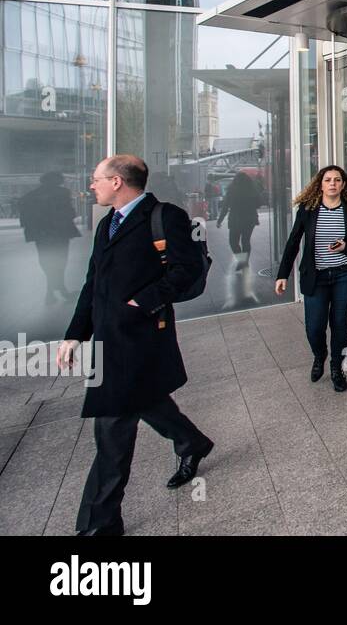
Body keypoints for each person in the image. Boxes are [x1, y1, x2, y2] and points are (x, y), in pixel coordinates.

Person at [56, 155, 214, 536]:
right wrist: (76, 333)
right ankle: (192, 442)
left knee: (112, 427)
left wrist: (141, 302)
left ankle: (99, 524)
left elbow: (187, 269)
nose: (91, 186)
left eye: (96, 179)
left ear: (117, 182)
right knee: (144, 402)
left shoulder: (165, 216)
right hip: (111, 340)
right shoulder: (107, 224)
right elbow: (94, 283)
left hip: (141, 336)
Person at [275, 166, 347, 391]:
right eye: (328, 180)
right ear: (320, 184)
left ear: (343, 184)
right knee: (314, 327)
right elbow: (293, 242)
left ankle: (337, 368)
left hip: (344, 274)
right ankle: (320, 355)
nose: (332, 184)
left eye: (337, 180)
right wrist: (283, 274)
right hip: (316, 276)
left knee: (339, 323)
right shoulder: (308, 209)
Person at [19, 171, 80, 306]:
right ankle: (59, 289)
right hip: (60, 233)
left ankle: (51, 292)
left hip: (41, 234)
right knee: (60, 261)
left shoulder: (31, 196)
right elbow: (69, 212)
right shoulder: (62, 193)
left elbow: (25, 216)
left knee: (46, 261)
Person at [217, 171, 263, 309]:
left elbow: (225, 206)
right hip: (249, 219)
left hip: (236, 220)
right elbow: (259, 203)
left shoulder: (232, 189)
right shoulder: (252, 189)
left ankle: (241, 261)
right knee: (246, 241)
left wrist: (220, 220)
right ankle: (244, 262)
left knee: (233, 242)